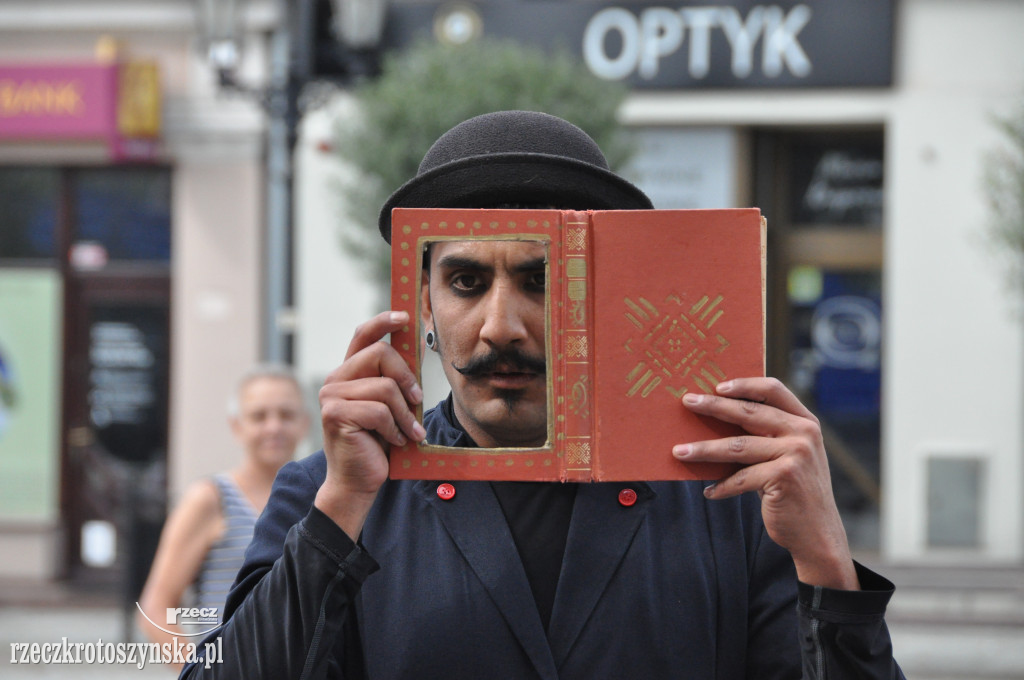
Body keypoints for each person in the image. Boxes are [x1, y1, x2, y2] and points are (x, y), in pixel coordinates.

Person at [181, 111, 904, 678]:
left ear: (606, 298)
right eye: (466, 282)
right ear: (423, 306)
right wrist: (339, 512)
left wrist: (825, 565)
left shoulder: (727, 503)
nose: (502, 327)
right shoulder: (329, 493)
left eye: (542, 281)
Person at [138, 365, 309, 664]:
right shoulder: (210, 499)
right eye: (259, 416)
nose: (274, 427)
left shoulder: (320, 499)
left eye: (286, 415)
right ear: (236, 426)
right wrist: (200, 672)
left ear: (305, 423)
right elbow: (156, 608)